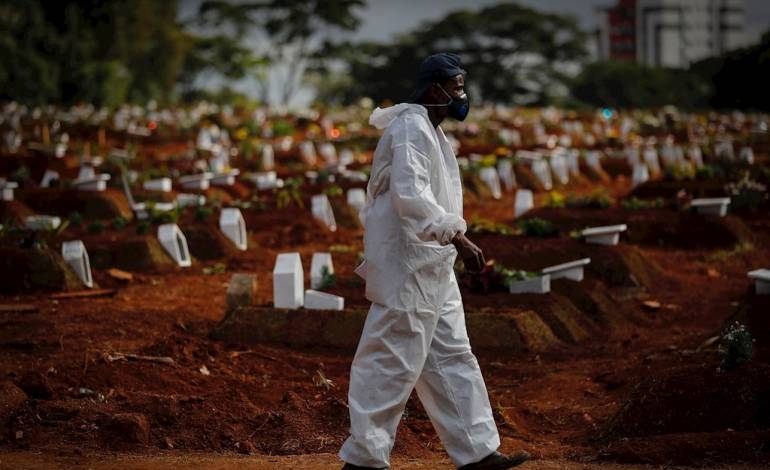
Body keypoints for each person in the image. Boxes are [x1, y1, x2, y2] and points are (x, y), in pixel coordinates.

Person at [339, 53, 531, 470]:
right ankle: (363, 461)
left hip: (432, 266)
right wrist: (455, 235)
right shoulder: (410, 128)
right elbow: (410, 194)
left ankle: (477, 453)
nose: (462, 95)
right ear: (434, 89)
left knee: (452, 357)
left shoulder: (428, 129)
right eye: (457, 86)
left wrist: (448, 242)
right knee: (390, 360)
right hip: (409, 267)